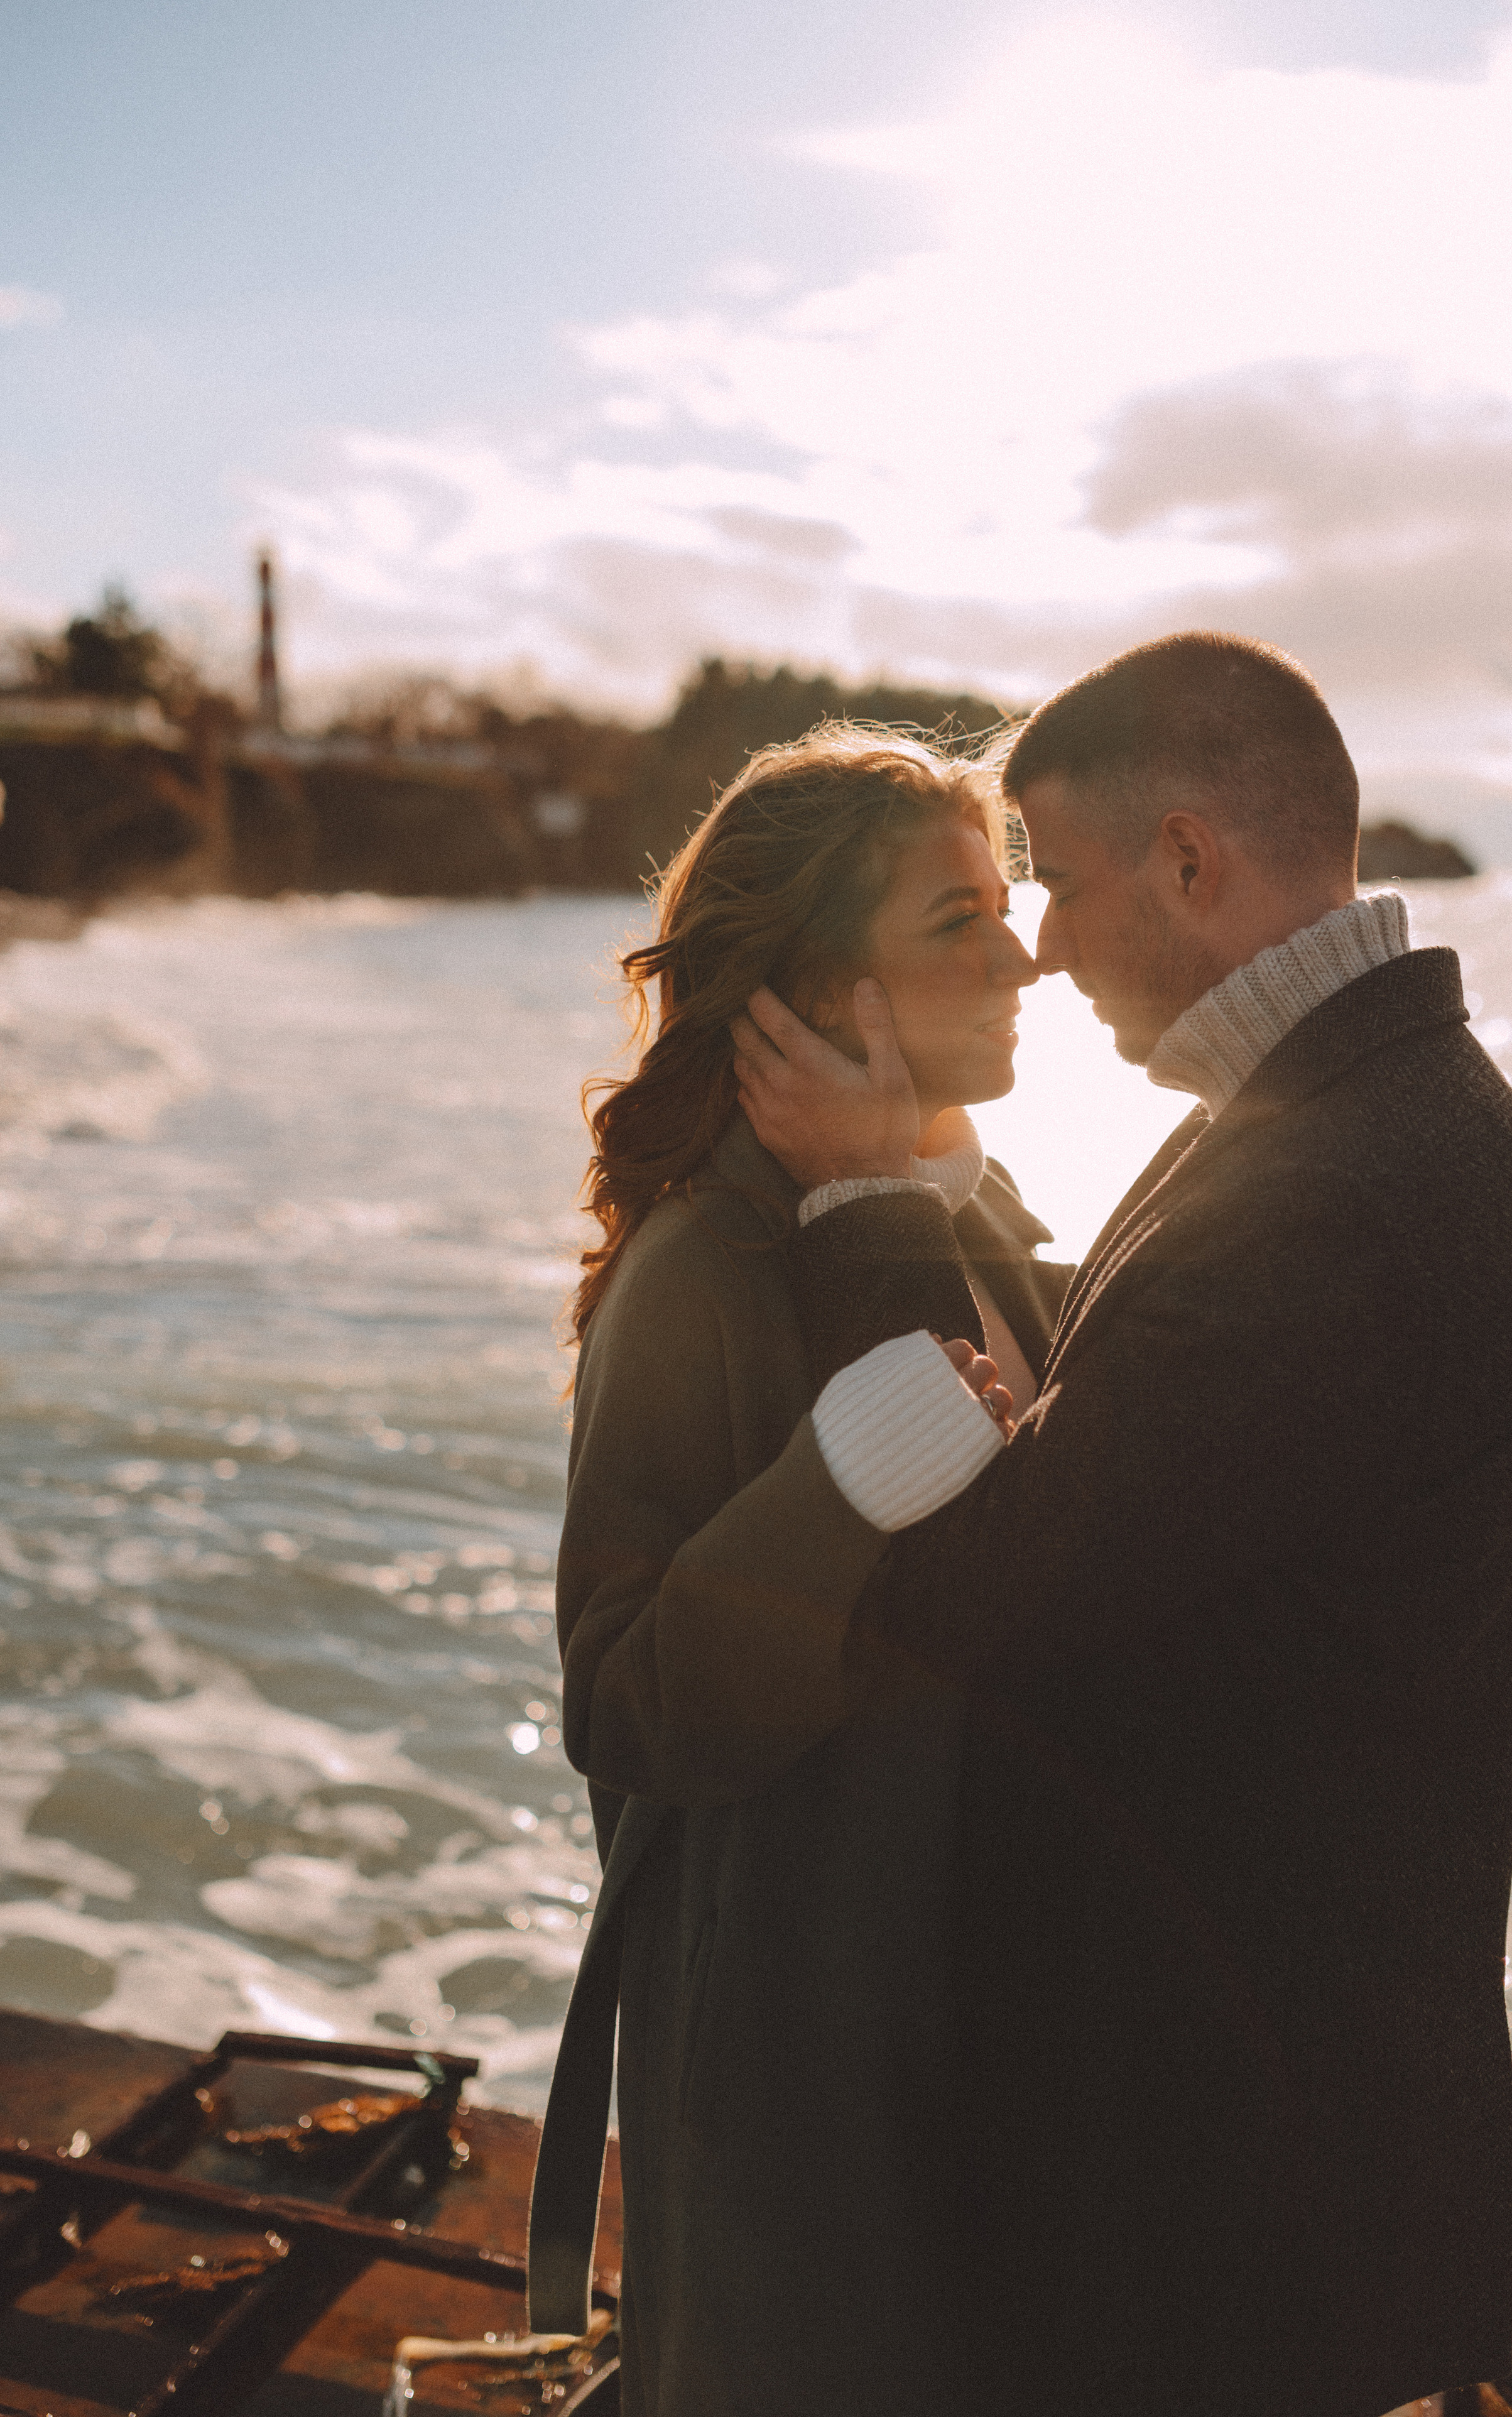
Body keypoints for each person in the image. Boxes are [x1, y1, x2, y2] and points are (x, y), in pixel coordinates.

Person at [725, 635, 1512, 2415]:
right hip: (1286, 2118)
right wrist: (951, 1188)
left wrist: (872, 1205)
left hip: (1217, 2191)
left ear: (1190, 860)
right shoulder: (1371, 1114)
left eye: (1053, 872)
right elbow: (1166, 1375)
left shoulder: (1339, 1190)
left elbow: (964, 1596)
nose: (1038, 938)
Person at [529, 728, 1065, 2417]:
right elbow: (623, 1705)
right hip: (805, 2074)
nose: (1021, 952)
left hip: (990, 2031)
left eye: (1012, 905)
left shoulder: (989, 1221)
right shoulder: (700, 1272)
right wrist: (837, 1483)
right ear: (830, 987)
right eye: (957, 920)